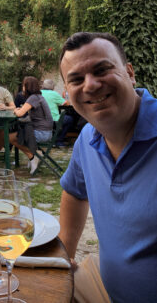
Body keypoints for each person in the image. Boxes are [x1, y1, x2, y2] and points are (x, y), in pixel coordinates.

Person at [58, 32, 157, 303]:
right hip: (106, 289)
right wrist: (64, 255)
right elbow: (74, 192)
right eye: (76, 79)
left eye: (102, 69)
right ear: (67, 93)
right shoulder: (87, 139)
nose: (90, 85)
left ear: (129, 73)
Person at [10, 76, 53, 175]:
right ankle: (35, 155)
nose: (22, 87)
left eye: (23, 85)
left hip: (42, 133)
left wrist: (16, 110)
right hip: (46, 132)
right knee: (19, 132)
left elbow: (20, 113)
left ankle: (33, 156)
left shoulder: (33, 98)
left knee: (11, 137)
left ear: (27, 86)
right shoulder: (38, 97)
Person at [41, 78, 74, 147]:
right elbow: (67, 104)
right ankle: (59, 140)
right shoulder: (54, 94)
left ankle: (54, 137)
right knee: (70, 119)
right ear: (52, 87)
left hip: (41, 120)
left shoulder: (38, 93)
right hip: (53, 119)